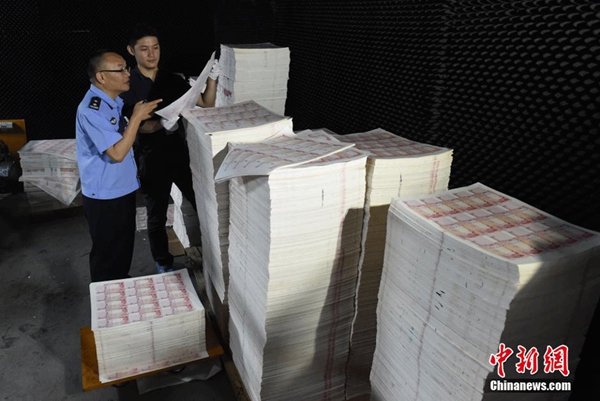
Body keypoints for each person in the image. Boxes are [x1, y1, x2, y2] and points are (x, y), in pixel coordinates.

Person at [120, 24, 219, 274]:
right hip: (150, 157)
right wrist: (159, 123)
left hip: (178, 153)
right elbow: (132, 125)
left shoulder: (172, 79)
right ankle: (163, 262)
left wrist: (212, 79)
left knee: (201, 202)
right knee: (157, 214)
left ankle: (215, 253)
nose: (151, 54)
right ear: (131, 51)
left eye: (155, 48)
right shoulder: (128, 85)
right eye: (144, 49)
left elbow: (206, 104)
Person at [76, 49, 162, 282]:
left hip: (121, 188)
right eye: (120, 70)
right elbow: (117, 153)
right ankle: (106, 294)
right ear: (101, 77)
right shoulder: (91, 110)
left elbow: (126, 134)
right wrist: (136, 117)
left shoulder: (112, 101)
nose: (127, 74)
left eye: (126, 68)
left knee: (122, 253)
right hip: (105, 195)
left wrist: (165, 121)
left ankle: (120, 283)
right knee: (107, 257)